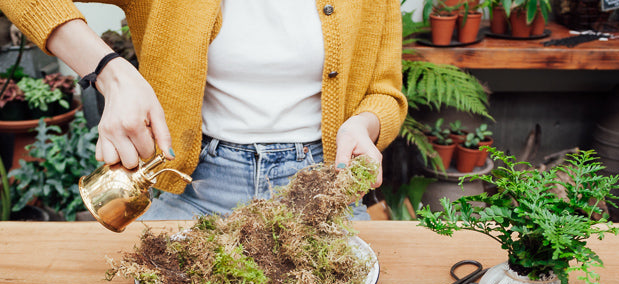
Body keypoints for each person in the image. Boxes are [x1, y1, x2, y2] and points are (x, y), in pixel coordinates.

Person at [2, 0, 407, 220]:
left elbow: (385, 92)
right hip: (193, 183)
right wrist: (110, 72)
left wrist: (364, 123)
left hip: (321, 187)